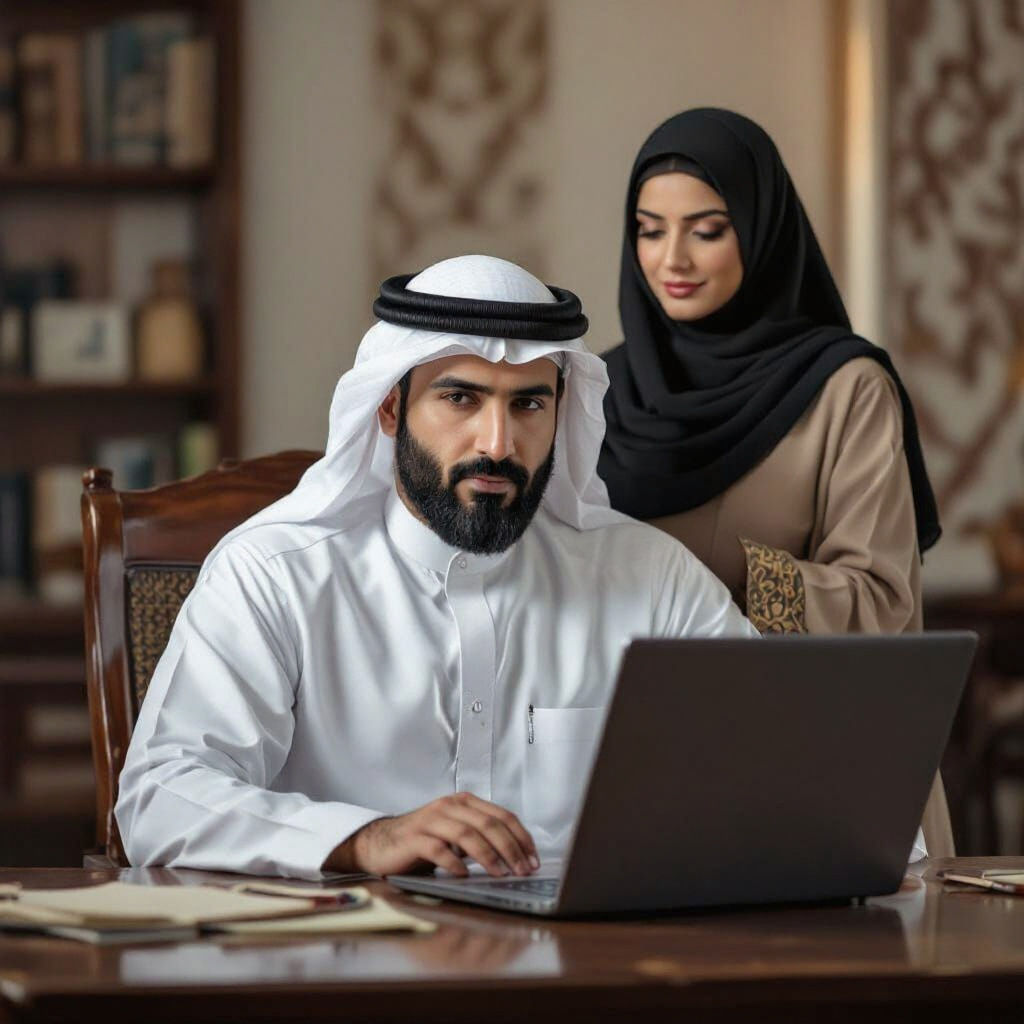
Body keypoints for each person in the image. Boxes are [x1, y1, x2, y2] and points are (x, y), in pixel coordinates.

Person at [116, 255, 758, 881]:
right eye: (460, 398)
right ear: (390, 410)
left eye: (529, 405)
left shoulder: (652, 578)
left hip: (588, 967)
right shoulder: (275, 575)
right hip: (349, 963)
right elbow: (160, 800)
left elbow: (773, 767)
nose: (498, 444)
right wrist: (365, 839)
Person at [597, 107, 946, 854]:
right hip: (635, 757)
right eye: (650, 229)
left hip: (815, 764)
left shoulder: (845, 387)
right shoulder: (599, 389)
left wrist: (701, 577)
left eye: (708, 228)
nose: (672, 259)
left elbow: (884, 608)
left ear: (760, 229)